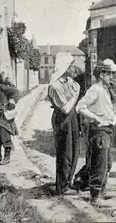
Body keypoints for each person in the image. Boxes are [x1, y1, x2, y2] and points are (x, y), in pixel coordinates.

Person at [76, 59, 116, 207]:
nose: (111, 76)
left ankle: (102, 192)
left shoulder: (105, 89)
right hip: (99, 131)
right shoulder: (95, 89)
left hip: (107, 130)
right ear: (101, 74)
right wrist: (95, 118)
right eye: (109, 74)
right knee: (99, 164)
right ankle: (95, 197)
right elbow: (80, 106)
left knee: (107, 163)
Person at [47, 54, 82, 196]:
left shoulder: (69, 81)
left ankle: (68, 181)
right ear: (65, 67)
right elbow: (65, 108)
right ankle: (62, 186)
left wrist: (75, 94)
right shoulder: (55, 86)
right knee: (64, 152)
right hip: (63, 119)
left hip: (72, 117)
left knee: (75, 150)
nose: (73, 68)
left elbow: (76, 90)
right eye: (71, 65)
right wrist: (75, 96)